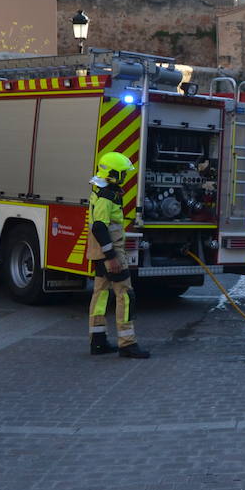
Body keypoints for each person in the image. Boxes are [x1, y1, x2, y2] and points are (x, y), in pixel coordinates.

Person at [87, 151, 149, 359]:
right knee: (125, 296)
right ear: (112, 174)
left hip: (100, 252)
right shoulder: (106, 197)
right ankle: (127, 344)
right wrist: (111, 256)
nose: (124, 177)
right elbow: (99, 227)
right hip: (111, 253)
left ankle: (98, 340)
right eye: (121, 173)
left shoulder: (100, 190)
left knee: (100, 294)